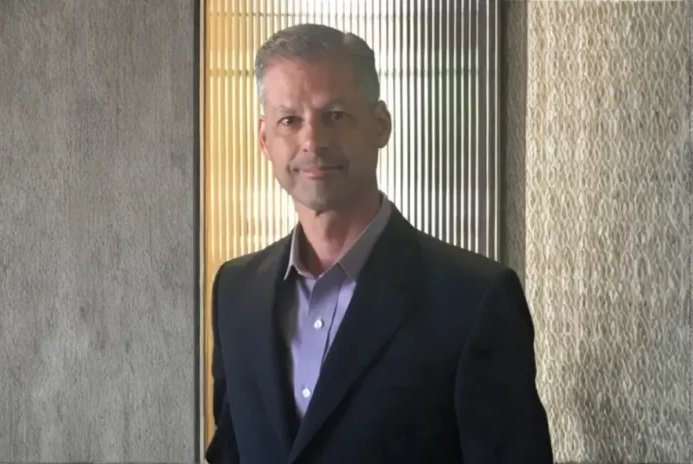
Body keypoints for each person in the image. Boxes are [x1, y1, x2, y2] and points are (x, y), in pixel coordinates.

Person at [206, 23, 553, 464]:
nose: (312, 140)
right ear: (264, 139)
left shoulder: (474, 300)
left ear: (380, 125)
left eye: (335, 115)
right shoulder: (236, 291)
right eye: (289, 120)